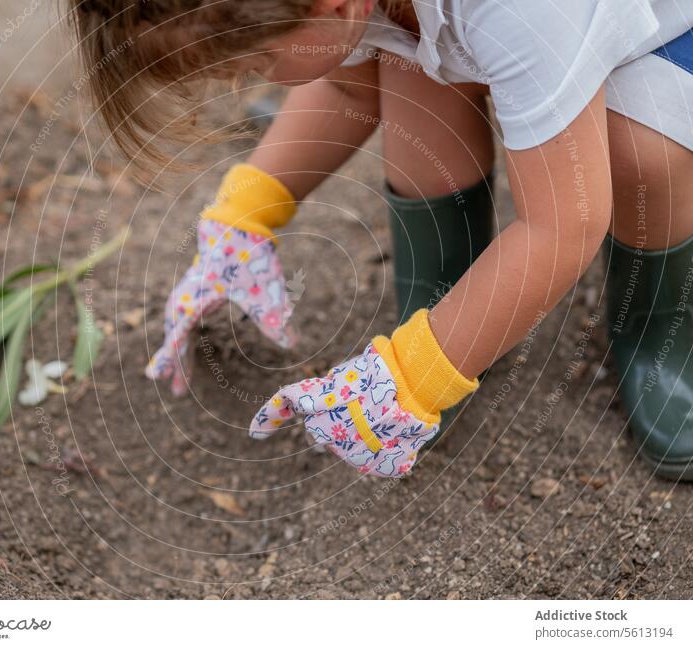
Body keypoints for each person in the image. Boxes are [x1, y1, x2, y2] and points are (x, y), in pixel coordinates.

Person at [70, 1, 693, 478]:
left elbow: (561, 226)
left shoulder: (519, 11)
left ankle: (657, 329)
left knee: (642, 160)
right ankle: (449, 300)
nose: (247, 84)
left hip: (660, 27)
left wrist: (413, 379)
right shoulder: (345, 9)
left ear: (332, 6)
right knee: (407, 71)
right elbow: (348, 87)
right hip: (520, 34)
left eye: (256, 65)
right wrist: (243, 217)